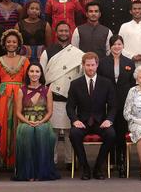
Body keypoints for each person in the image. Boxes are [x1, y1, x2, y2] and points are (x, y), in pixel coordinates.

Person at [40, 21, 84, 170]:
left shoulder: (77, 53)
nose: (64, 33)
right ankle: (51, 161)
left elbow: (82, 73)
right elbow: (42, 73)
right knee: (52, 132)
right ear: (56, 33)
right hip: (53, 97)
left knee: (69, 133)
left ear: (70, 33)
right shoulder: (48, 51)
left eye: (66, 31)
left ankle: (70, 161)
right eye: (61, 31)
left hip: (70, 97)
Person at [67, 52, 116, 180]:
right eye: (87, 65)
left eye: (93, 65)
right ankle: (85, 168)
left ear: (97, 65)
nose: (90, 68)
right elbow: (70, 107)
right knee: (74, 134)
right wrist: (75, 120)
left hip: (101, 122)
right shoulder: (75, 84)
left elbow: (113, 106)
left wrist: (109, 120)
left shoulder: (106, 83)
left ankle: (98, 167)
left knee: (111, 134)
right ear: (83, 65)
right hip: (82, 122)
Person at [13, 63, 60, 181]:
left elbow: (49, 112)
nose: (34, 74)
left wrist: (41, 121)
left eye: (37, 71)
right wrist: (28, 122)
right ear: (28, 73)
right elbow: (18, 112)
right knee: (28, 132)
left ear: (41, 74)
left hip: (43, 121)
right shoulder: (21, 90)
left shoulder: (47, 90)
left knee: (41, 131)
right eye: (32, 71)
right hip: (25, 121)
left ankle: (41, 173)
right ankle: (28, 174)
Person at [97, 35, 136, 177]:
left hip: (123, 102)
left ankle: (122, 161)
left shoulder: (129, 62)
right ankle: (110, 160)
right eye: (114, 44)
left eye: (119, 44)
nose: (117, 47)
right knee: (109, 133)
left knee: (121, 133)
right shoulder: (102, 62)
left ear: (123, 45)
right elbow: (100, 82)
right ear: (110, 46)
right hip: (106, 103)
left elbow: (132, 85)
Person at [0, 29, 30, 168]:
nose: (11, 44)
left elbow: (28, 79)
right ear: (4, 43)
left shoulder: (25, 61)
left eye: (14, 41)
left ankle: (17, 160)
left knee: (18, 124)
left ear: (18, 43)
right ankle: (2, 160)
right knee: (3, 124)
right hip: (3, 95)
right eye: (9, 41)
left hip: (20, 94)